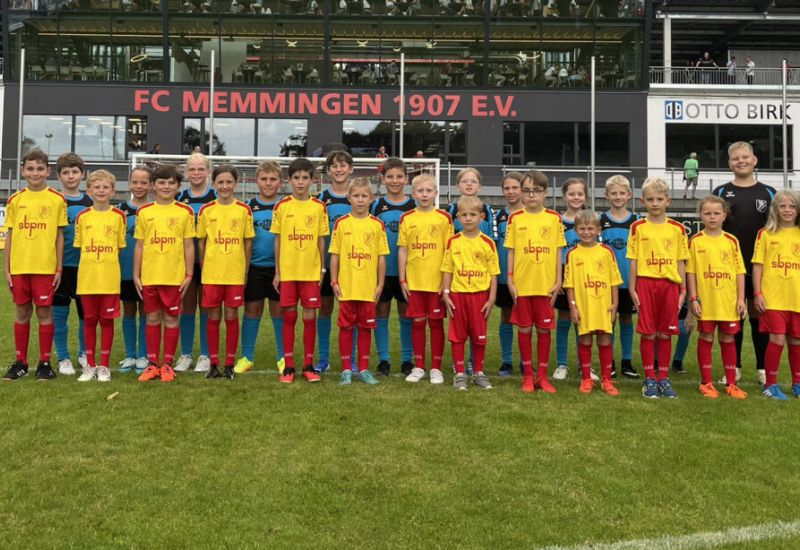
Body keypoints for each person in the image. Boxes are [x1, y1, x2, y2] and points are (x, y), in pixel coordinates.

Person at [712, 141, 776, 384]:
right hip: (729, 268)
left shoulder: (768, 192)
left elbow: (775, 229)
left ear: (754, 160)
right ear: (729, 164)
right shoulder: (721, 192)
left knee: (758, 314)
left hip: (760, 267)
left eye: (745, 157)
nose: (741, 161)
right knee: (734, 315)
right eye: (735, 158)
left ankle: (762, 368)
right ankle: (734, 367)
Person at [2, 149, 67, 381]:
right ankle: (20, 362)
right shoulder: (15, 200)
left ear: (48, 171)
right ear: (23, 171)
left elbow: (59, 236)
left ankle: (45, 363)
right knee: (22, 312)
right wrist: (7, 269)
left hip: (45, 268)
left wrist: (58, 268)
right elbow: (10, 235)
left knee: (44, 312)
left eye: (40, 168)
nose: (35, 173)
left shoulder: (57, 199)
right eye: (30, 168)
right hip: (20, 267)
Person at [627, 177, 689, 399]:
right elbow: (633, 260)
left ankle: (663, 378)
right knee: (648, 332)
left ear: (667, 201)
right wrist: (632, 288)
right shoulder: (637, 227)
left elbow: (681, 260)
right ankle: (650, 378)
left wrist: (683, 289)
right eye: (650, 199)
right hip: (645, 284)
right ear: (643, 201)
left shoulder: (677, 229)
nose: (655, 203)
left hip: (669, 286)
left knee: (665, 333)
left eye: (659, 199)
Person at [133, 164, 196, 383]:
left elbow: (188, 245)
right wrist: (136, 275)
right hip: (150, 276)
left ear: (178, 186)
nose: (166, 187)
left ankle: (167, 364)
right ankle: (152, 364)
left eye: (171, 183)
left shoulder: (185, 212)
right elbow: (140, 245)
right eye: (161, 182)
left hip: (174, 277)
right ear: (153, 185)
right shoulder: (144, 212)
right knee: (152, 318)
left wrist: (189, 274)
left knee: (171, 318)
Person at [505, 170, 566, 393]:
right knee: (524, 329)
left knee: (543, 330)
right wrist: (510, 280)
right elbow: (511, 251)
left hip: (546, 286)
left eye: (536, 191)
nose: (531, 195)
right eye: (527, 190)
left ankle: (542, 376)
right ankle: (528, 376)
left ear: (545, 193)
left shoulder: (554, 218)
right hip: (522, 285)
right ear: (522, 193)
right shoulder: (515, 218)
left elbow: (558, 252)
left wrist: (558, 281)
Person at [271, 158, 329, 384]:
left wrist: (322, 269)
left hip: (310, 272)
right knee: (289, 316)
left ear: (312, 180)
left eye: (305, 178)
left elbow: (321, 241)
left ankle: (308, 365)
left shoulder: (318, 207)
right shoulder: (282, 206)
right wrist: (278, 272)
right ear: (289, 180)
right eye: (296, 178)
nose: (301, 182)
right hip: (288, 272)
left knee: (309, 316)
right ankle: (288, 366)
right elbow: (278, 241)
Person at [686, 195, 747, 399]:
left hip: (728, 301)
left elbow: (739, 272)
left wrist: (741, 299)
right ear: (700, 215)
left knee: (728, 338)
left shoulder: (731, 241)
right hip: (706, 301)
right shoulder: (695, 241)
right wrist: (693, 298)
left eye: (716, 213)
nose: (712, 217)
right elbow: (691, 272)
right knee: (706, 337)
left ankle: (731, 383)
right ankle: (706, 383)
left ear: (724, 215)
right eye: (707, 213)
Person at [329, 177, 389, 385]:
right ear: (349, 198)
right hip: (347, 286)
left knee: (365, 328)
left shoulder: (377, 225)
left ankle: (363, 369)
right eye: (356, 196)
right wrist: (334, 282)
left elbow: (381, 258)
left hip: (368, 288)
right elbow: (335, 255)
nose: (360, 200)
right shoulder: (341, 223)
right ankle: (346, 368)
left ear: (371, 198)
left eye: (364, 196)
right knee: (346, 327)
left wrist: (380, 284)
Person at [196, 165, 254, 379]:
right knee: (213, 315)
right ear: (214, 184)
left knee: (231, 315)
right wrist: (205, 266)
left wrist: (244, 271)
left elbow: (248, 243)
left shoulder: (243, 210)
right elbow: (201, 242)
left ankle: (229, 363)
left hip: (234, 273)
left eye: (229, 182)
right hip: (212, 274)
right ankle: (213, 363)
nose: (225, 186)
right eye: (220, 182)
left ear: (236, 184)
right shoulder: (206, 210)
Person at [398, 174, 454, 384]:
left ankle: (436, 368)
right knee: (418, 323)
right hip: (415, 282)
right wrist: (403, 280)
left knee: (436, 324)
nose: (424, 195)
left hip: (436, 282)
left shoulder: (444, 218)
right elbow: (403, 250)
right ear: (413, 194)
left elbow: (449, 251)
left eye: (429, 191)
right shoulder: (407, 218)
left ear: (435, 193)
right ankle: (419, 366)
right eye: (420, 191)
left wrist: (445, 283)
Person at [441, 195, 499, 391]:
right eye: (464, 215)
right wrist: (446, 293)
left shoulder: (488, 243)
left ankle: (478, 372)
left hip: (480, 296)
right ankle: (459, 373)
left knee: (478, 335)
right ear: (458, 217)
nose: (468, 218)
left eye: (472, 215)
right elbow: (447, 269)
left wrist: (491, 298)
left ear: (481, 217)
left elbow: (493, 274)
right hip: (458, 295)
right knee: (458, 336)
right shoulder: (453, 242)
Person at [74, 170, 127, 382]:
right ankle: (90, 365)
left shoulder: (119, 216)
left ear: (113, 191)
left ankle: (104, 366)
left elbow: (119, 249)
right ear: (89, 191)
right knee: (88, 320)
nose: (101, 191)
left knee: (106, 321)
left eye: (106, 187)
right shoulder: (83, 217)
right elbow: (81, 247)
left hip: (109, 279)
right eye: (97, 187)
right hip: (87, 279)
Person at [564, 210, 622, 396]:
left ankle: (606, 379)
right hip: (583, 305)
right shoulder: (572, 254)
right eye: (582, 228)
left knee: (605, 339)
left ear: (598, 230)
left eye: (590, 228)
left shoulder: (607, 252)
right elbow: (570, 284)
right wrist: (573, 306)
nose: (586, 232)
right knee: (585, 339)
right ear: (575, 230)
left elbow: (614, 280)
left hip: (604, 305)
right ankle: (586, 378)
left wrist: (615, 303)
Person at [235, 161, 285, 375]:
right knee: (251, 310)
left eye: (273, 179)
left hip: (279, 268)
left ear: (280, 182)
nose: (268, 183)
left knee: (279, 311)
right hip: (254, 267)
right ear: (256, 181)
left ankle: (283, 357)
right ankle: (247, 357)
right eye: (264, 179)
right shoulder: (247, 207)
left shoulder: (285, 206)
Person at [752, 190, 800, 400]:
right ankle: (770, 385)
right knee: (777, 339)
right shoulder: (765, 234)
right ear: (775, 210)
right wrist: (758, 293)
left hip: (796, 298)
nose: (787, 210)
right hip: (773, 298)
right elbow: (758, 266)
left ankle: (797, 383)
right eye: (783, 206)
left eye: (792, 206)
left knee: (796, 341)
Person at [371, 157, 416, 376]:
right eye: (390, 176)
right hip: (382, 271)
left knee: (406, 314)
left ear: (406, 179)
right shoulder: (376, 205)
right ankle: (384, 360)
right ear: (383, 179)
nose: (395, 181)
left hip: (408, 272)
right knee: (381, 312)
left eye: (399, 176)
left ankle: (407, 360)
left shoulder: (414, 205)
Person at [175, 152, 216, 373]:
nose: (196, 173)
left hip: (212, 262)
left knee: (207, 307)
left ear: (208, 171)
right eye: (192, 169)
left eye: (201, 169)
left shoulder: (217, 197)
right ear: (186, 172)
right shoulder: (179, 198)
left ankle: (205, 354)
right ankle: (186, 354)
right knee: (187, 307)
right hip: (185, 262)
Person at [53, 152, 92, 376]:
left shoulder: (91, 202)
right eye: (66, 172)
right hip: (59, 267)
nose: (70, 176)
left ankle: (84, 353)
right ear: (59, 176)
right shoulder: (54, 201)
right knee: (59, 313)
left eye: (74, 172)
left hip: (86, 268)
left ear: (82, 174)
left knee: (85, 314)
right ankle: (63, 357)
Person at [315, 151, 354, 374]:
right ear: (328, 171)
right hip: (327, 264)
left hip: (353, 265)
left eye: (343, 165)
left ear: (351, 169)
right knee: (325, 308)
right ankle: (323, 358)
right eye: (334, 166)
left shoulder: (358, 196)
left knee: (351, 311)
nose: (339, 169)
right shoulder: (320, 199)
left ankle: (352, 359)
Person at [600, 175, 639, 378]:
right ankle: (610, 362)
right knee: (609, 320)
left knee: (626, 319)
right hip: (607, 283)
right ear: (606, 195)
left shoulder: (636, 221)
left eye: (622, 193)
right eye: (613, 193)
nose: (618, 196)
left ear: (629, 195)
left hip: (629, 281)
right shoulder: (601, 220)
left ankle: (626, 362)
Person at [553, 178, 588, 381]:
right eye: (571, 194)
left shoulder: (590, 219)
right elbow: (554, 252)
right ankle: (562, 364)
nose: (576, 197)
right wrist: (557, 277)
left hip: (585, 277)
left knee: (583, 320)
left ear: (586, 196)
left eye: (580, 194)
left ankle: (585, 365)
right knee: (564, 317)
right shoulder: (557, 221)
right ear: (564, 196)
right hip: (563, 276)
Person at [118, 165, 151, 374]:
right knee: (129, 310)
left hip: (150, 271)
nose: (139, 186)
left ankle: (143, 355)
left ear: (151, 185)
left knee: (146, 311)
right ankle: (130, 354)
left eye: (143, 182)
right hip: (125, 270)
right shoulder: (120, 210)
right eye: (135, 182)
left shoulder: (154, 209)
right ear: (129, 183)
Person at [495, 172, 524, 376]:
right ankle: (506, 361)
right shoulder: (498, 216)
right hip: (504, 276)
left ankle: (524, 361)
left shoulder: (530, 214)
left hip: (526, 277)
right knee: (505, 315)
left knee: (524, 318)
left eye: (515, 187)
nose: (511, 192)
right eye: (507, 188)